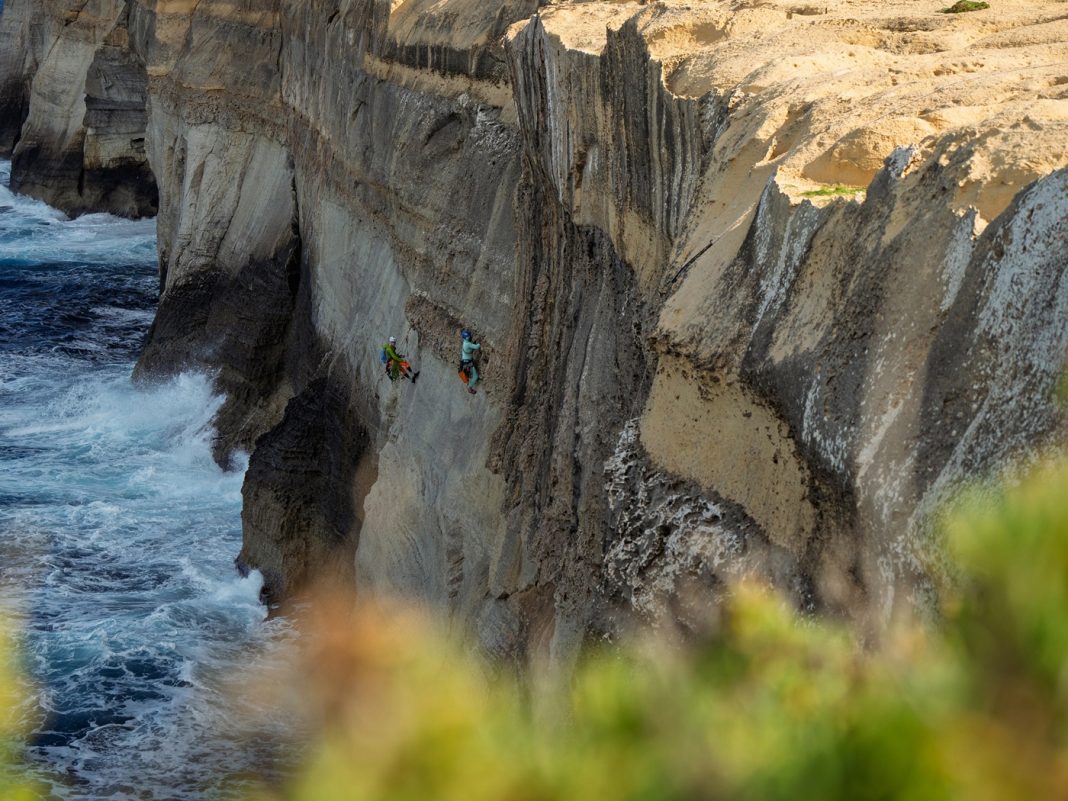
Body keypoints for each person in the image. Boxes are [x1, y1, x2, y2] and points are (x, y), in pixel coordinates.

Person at [460, 328, 480, 395]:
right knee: (475, 376)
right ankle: (469, 387)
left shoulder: (465, 342)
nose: (470, 336)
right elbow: (477, 347)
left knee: (470, 374)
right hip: (468, 363)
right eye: (469, 336)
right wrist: (480, 342)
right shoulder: (467, 344)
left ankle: (469, 383)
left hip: (465, 362)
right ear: (466, 337)